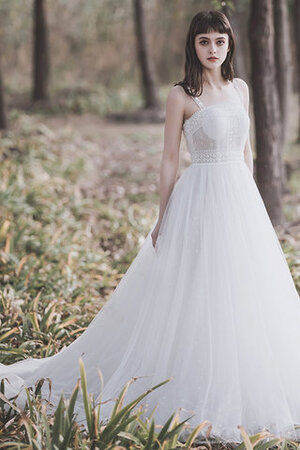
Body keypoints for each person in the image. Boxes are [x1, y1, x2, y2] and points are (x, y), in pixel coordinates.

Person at [1, 9, 300, 445]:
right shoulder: (182, 95)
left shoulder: (240, 89)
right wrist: (163, 217)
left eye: (220, 41)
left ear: (230, 44)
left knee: (243, 289)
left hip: (239, 198)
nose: (213, 49)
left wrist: (252, 200)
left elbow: (246, 149)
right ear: (192, 46)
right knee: (197, 289)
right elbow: (168, 160)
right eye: (204, 42)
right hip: (200, 195)